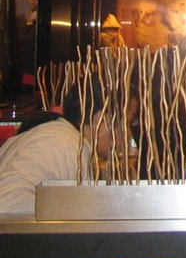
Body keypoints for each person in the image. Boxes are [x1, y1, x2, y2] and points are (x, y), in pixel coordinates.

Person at [0, 86, 109, 217]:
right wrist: (82, 207)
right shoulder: (62, 145)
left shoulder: (64, 139)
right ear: (99, 119)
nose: (128, 134)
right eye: (127, 123)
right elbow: (7, 204)